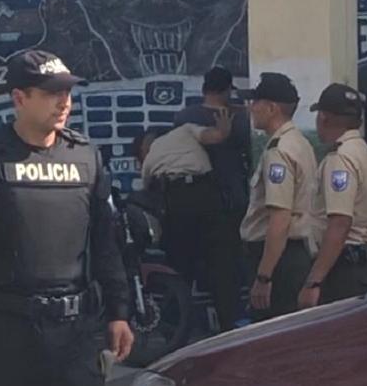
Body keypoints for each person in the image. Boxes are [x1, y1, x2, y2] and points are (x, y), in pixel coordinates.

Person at [0, 50, 133, 386]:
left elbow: (105, 242)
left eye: (67, 93)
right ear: (19, 98)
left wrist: (119, 312)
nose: (64, 102)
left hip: (77, 333)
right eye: (51, 93)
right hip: (8, 330)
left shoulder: (86, 157)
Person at [173, 66, 250, 331]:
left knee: (184, 268)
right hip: (227, 205)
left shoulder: (184, 117)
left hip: (187, 203)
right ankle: (228, 326)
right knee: (225, 272)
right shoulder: (238, 120)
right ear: (227, 89)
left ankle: (177, 326)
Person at [298, 83, 367, 309]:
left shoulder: (341, 159)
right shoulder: (366, 154)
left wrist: (313, 282)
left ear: (324, 118)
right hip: (363, 266)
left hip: (342, 272)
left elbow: (340, 222)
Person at [241, 72, 315, 322]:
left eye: (256, 102)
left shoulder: (279, 151)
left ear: (271, 108)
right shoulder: (299, 143)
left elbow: (279, 218)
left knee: (272, 339)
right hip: (292, 255)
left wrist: (264, 277)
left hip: (279, 260)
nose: (251, 109)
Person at [133, 111, 232, 284]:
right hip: (206, 194)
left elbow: (147, 188)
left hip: (177, 200)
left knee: (181, 264)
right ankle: (225, 307)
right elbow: (216, 136)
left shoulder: (150, 156)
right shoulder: (186, 130)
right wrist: (224, 127)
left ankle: (184, 304)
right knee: (220, 263)